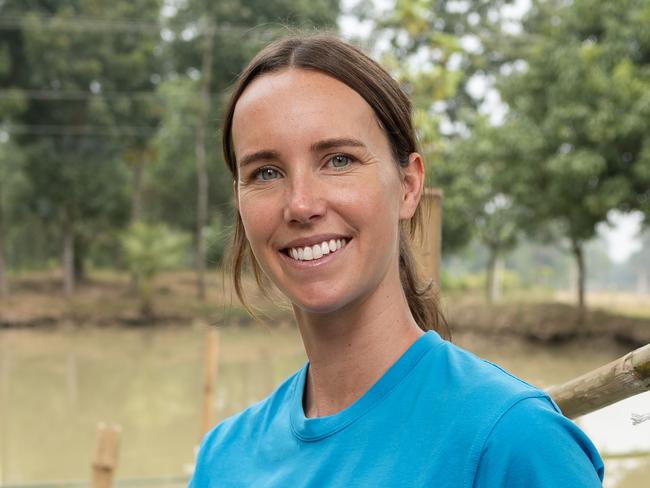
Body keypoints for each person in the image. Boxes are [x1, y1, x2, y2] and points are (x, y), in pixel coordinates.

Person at [189, 34, 604, 487]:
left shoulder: (511, 441)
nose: (301, 204)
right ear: (239, 200)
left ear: (408, 185)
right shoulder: (223, 459)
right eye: (266, 172)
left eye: (339, 160)